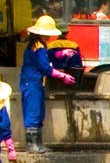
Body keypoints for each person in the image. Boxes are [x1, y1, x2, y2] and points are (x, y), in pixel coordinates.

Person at [19, 15, 73, 144]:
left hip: (35, 83)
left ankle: (38, 143)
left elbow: (47, 58)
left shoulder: (39, 45)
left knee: (38, 113)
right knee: (33, 113)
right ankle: (33, 145)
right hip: (32, 83)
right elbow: (46, 68)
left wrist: (61, 54)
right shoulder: (38, 47)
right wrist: (63, 76)